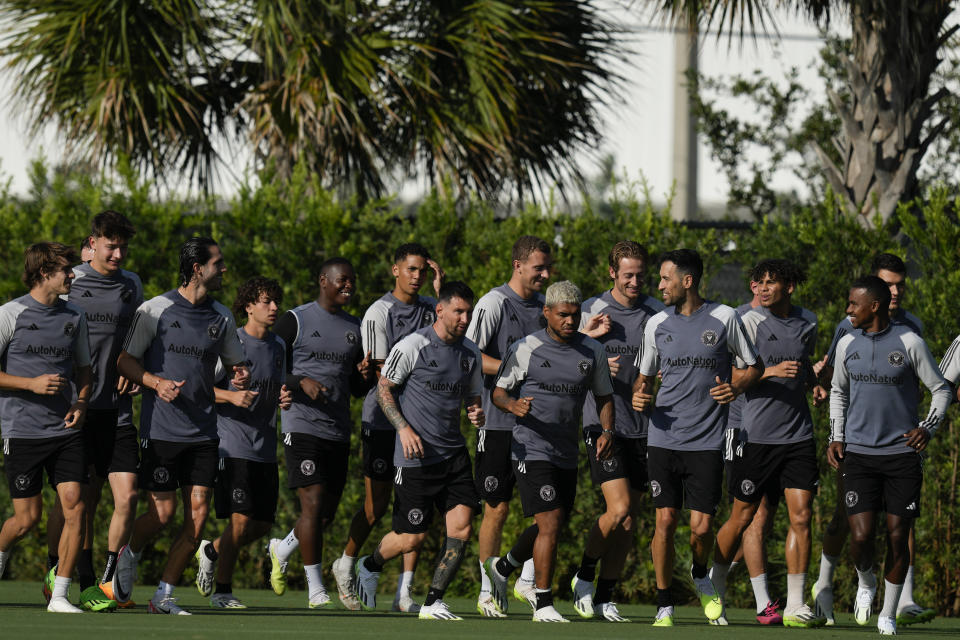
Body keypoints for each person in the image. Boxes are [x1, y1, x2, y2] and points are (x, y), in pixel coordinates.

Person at [116, 236, 249, 615]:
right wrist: (155, 383)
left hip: (205, 432)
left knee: (199, 513)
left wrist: (240, 376)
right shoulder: (154, 309)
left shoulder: (222, 316)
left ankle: (163, 596)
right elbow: (125, 361)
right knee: (162, 514)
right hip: (161, 430)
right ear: (197, 269)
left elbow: (236, 365)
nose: (224, 269)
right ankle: (130, 553)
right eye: (218, 263)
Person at [631, 248, 762, 626]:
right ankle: (664, 603)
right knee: (666, 520)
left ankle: (700, 572)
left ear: (687, 281)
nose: (658, 286)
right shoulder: (656, 323)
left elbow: (754, 367)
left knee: (702, 528)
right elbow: (643, 378)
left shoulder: (725, 318)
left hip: (707, 441)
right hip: (662, 437)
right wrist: (641, 395)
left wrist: (735, 388)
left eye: (665, 279)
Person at [483, 280, 615, 623]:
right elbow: (499, 392)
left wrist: (607, 431)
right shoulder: (525, 347)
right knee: (551, 523)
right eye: (563, 315)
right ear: (547, 313)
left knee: (551, 524)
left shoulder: (592, 351)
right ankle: (543, 603)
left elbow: (604, 396)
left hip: (565, 451)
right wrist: (513, 407)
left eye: (574, 315)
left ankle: (503, 567)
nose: (570, 321)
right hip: (530, 447)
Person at [811, 253, 932, 626]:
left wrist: (925, 423)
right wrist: (818, 382)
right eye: (889, 284)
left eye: (900, 284)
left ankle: (899, 603)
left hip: (897, 447)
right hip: (855, 443)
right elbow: (833, 376)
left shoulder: (913, 328)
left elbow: (922, 379)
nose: (896, 291)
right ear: (875, 290)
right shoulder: (848, 326)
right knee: (845, 523)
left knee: (899, 527)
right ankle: (823, 587)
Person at [354, 281, 484, 620]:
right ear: (440, 310)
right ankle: (369, 565)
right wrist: (404, 429)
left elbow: (471, 395)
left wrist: (474, 410)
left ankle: (432, 601)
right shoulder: (413, 345)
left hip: (453, 454)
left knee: (462, 529)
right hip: (415, 458)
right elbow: (384, 390)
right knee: (412, 539)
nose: (465, 318)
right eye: (458, 310)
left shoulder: (470, 353)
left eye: (468, 312)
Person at [827, 275, 950, 636]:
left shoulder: (910, 342)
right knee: (861, 537)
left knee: (898, 536)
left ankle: (889, 612)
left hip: (901, 457)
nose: (848, 309)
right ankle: (866, 581)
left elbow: (940, 389)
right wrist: (837, 436)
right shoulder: (848, 342)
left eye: (854, 303)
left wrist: (927, 427)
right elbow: (838, 392)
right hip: (859, 456)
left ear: (874, 306)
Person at [709, 259, 825, 627]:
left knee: (801, 515)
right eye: (757, 282)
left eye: (770, 282)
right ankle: (717, 582)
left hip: (798, 435)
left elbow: (803, 365)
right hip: (752, 434)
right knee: (746, 517)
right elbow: (725, 375)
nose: (761, 288)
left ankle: (794, 604)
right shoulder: (743, 321)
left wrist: (815, 384)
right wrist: (770, 371)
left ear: (789, 286)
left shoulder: (809, 321)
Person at [331, 243, 443, 612]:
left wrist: (442, 296)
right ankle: (346, 562)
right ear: (395, 270)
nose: (417, 277)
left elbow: (454, 342)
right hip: (383, 421)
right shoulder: (379, 312)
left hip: (422, 423)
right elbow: (383, 377)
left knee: (417, 508)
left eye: (422, 271)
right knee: (376, 506)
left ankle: (404, 593)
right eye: (410, 269)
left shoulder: (432, 309)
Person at [42, 212, 142, 612]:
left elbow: (135, 341)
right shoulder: (70, 281)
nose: (117, 253)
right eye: (110, 245)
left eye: (122, 247)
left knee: (128, 495)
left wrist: (135, 371)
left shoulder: (131, 285)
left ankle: (105, 583)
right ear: (93, 243)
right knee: (77, 500)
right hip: (75, 409)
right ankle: (57, 570)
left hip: (116, 410)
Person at [266, 258, 374, 608]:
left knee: (323, 516)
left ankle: (281, 548)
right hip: (301, 425)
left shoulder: (355, 328)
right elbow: (264, 367)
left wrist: (365, 374)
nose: (349, 287)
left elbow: (356, 388)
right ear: (323, 280)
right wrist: (298, 382)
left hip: (337, 431)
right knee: (311, 506)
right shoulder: (294, 320)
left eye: (352, 281)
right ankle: (316, 591)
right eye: (343, 280)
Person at [568, 241, 663, 622]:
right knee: (619, 507)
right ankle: (585, 574)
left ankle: (606, 596)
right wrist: (592, 355)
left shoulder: (658, 313)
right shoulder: (590, 310)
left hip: (644, 428)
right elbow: (560, 355)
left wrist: (651, 392)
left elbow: (667, 366)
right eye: (628, 275)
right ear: (612, 273)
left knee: (629, 518)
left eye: (641, 274)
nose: (635, 281)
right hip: (603, 423)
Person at [0, 242, 92, 613]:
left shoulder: (76, 315)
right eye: (65, 269)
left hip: (65, 430)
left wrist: (81, 401)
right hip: (22, 430)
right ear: (42, 274)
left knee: (76, 505)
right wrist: (30, 384)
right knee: (27, 520)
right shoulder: (10, 314)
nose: (73, 274)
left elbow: (85, 368)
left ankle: (59, 595)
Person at [194, 277, 293, 608]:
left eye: (276, 301)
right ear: (248, 306)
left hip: (264, 448)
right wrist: (231, 398)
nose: (274, 308)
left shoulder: (278, 345)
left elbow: (274, 384)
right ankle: (222, 591)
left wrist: (282, 395)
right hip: (232, 444)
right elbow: (199, 388)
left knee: (262, 525)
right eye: (266, 302)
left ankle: (210, 550)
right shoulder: (231, 342)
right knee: (239, 522)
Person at [468, 236, 553, 616]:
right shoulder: (493, 303)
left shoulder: (546, 308)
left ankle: (523, 577)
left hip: (538, 427)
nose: (546, 274)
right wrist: (515, 370)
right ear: (518, 265)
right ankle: (487, 589)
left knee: (548, 513)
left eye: (547, 268)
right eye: (539, 268)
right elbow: (469, 355)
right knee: (497, 509)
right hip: (499, 422)